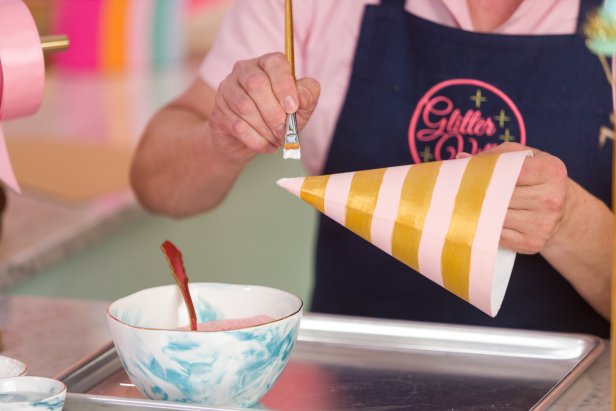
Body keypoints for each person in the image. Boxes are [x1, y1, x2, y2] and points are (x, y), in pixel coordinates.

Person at [131, 0, 613, 337]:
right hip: (352, 376)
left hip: (568, 385)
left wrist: (570, 221)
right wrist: (222, 138)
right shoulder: (308, 7)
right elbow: (156, 184)